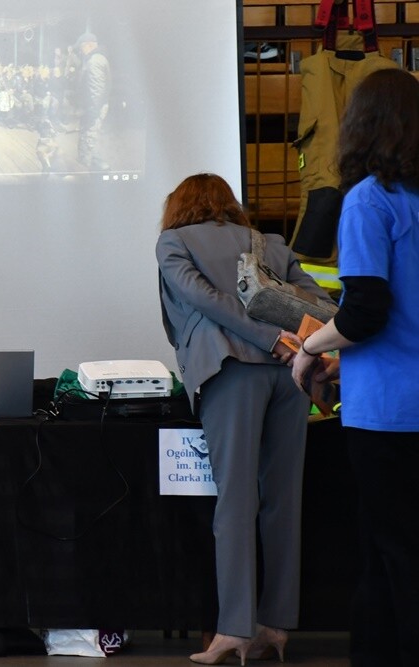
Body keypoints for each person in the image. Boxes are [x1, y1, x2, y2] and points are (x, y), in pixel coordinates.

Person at [156, 173, 335, 665]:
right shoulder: (271, 244)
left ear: (178, 206)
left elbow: (205, 300)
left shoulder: (174, 242)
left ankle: (233, 629)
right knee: (283, 500)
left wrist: (266, 339)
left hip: (231, 369)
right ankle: (275, 625)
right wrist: (292, 343)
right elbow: (322, 304)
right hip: (292, 374)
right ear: (229, 204)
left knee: (235, 501)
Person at [290, 68, 419, 667]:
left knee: (391, 560)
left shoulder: (368, 200)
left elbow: (365, 310)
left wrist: (311, 349)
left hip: (387, 415)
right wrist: (344, 360)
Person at [69, 31, 110, 170]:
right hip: (93, 106)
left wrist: (92, 110)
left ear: (89, 45)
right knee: (87, 133)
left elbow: (96, 89)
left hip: (94, 107)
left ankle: (92, 166)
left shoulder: (94, 61)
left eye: (81, 47)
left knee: (90, 135)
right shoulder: (97, 59)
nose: (81, 51)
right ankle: (85, 161)